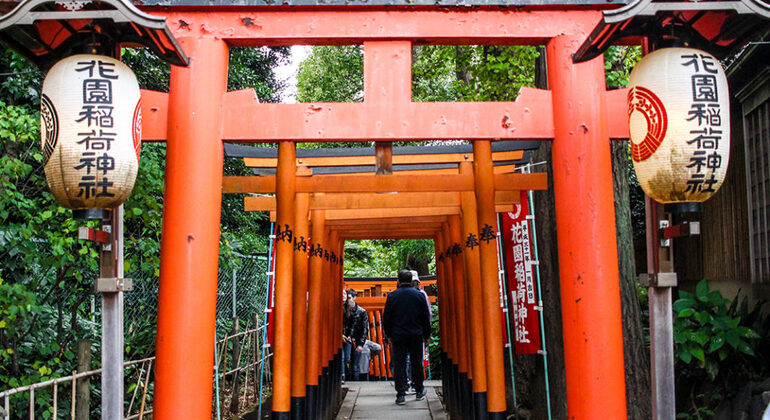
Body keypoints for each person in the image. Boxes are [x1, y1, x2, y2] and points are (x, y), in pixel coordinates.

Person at [383, 269, 432, 405]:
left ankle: (401, 393)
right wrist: (427, 335)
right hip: (416, 335)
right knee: (417, 363)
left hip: (398, 335)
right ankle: (419, 390)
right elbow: (425, 317)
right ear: (411, 281)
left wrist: (389, 335)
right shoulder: (419, 296)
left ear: (398, 281)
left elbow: (387, 318)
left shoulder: (392, 297)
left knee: (400, 364)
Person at [342, 289, 369, 381]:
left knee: (354, 365)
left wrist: (360, 344)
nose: (347, 299)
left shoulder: (361, 311)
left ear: (354, 298)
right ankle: (346, 378)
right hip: (348, 338)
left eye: (349, 297)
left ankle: (355, 382)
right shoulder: (346, 310)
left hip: (355, 340)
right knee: (346, 360)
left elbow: (364, 329)